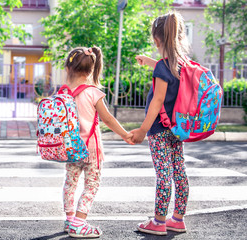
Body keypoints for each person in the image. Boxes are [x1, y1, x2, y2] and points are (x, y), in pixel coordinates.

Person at [62, 46, 134, 238]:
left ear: (68, 68)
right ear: (92, 70)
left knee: (70, 183)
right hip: (91, 150)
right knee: (91, 185)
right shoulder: (93, 93)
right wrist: (125, 135)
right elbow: (108, 119)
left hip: (71, 148)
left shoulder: (64, 92)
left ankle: (69, 220)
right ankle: (79, 223)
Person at [131, 11, 191, 236]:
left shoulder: (162, 68)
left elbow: (157, 101)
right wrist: (151, 62)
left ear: (157, 41)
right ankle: (177, 218)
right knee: (179, 172)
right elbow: (168, 71)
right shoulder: (183, 65)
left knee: (163, 174)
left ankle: (158, 221)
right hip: (177, 129)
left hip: (158, 130)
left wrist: (142, 130)